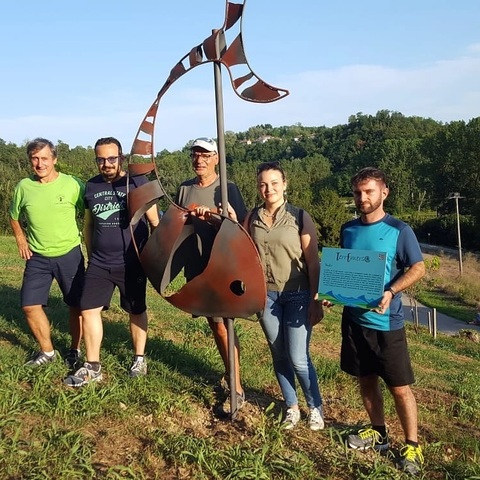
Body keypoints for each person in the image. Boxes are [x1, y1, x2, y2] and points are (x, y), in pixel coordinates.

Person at [340, 167, 425, 475]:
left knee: (399, 388)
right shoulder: (347, 230)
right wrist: (332, 294)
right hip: (353, 321)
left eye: (369, 192)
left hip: (387, 325)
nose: (362, 198)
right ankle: (378, 433)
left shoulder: (399, 230)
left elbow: (417, 268)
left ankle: (412, 445)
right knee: (365, 380)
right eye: (358, 192)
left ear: (384, 192)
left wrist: (391, 290)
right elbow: (346, 274)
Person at [64, 137, 159, 387]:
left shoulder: (138, 183)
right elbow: (89, 224)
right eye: (101, 159)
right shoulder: (91, 186)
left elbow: (155, 223)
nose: (106, 164)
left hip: (132, 263)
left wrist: (154, 257)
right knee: (88, 309)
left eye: (111, 158)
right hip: (99, 262)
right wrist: (92, 254)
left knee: (135, 309)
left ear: (121, 158)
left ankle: (139, 358)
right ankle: (93, 366)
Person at [243, 161, 325, 431]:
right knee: (278, 355)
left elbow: (313, 262)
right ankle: (291, 406)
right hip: (267, 297)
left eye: (274, 183)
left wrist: (316, 300)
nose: (269, 189)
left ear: (285, 185)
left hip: (298, 295)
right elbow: (243, 253)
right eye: (263, 184)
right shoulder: (251, 217)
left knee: (298, 357)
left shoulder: (299, 217)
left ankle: (315, 407)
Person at [175, 137, 247, 409]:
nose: (199, 159)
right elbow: (176, 222)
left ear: (216, 158)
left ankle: (237, 388)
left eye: (205, 154)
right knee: (215, 325)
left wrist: (216, 216)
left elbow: (239, 228)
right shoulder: (184, 189)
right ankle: (231, 374)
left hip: (220, 266)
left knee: (223, 325)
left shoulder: (227, 188)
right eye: (195, 154)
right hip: (195, 267)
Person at [9, 137, 85, 369]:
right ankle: (47, 350)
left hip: (69, 253)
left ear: (54, 160)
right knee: (29, 305)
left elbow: (90, 213)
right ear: (30, 161)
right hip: (38, 257)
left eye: (44, 158)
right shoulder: (24, 187)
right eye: (35, 159)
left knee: (76, 306)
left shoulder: (73, 184)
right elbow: (14, 216)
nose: (40, 164)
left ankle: (75, 350)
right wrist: (21, 238)